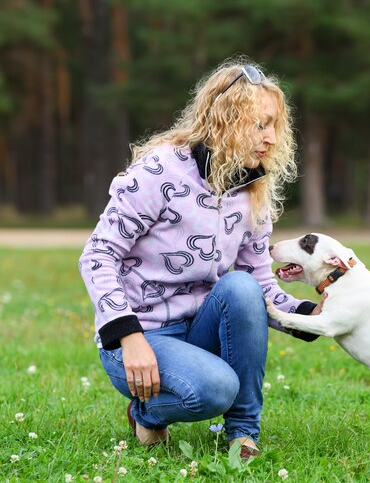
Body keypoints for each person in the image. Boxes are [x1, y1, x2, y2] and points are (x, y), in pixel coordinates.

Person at [78, 58, 320, 460]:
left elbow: (258, 284)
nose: (273, 137)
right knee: (217, 389)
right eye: (261, 124)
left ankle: (242, 433)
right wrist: (129, 336)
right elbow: (98, 255)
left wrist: (310, 315)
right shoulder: (159, 172)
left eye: (276, 125)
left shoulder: (251, 189)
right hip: (139, 338)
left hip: (200, 330)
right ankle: (145, 414)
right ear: (225, 120)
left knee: (240, 286)